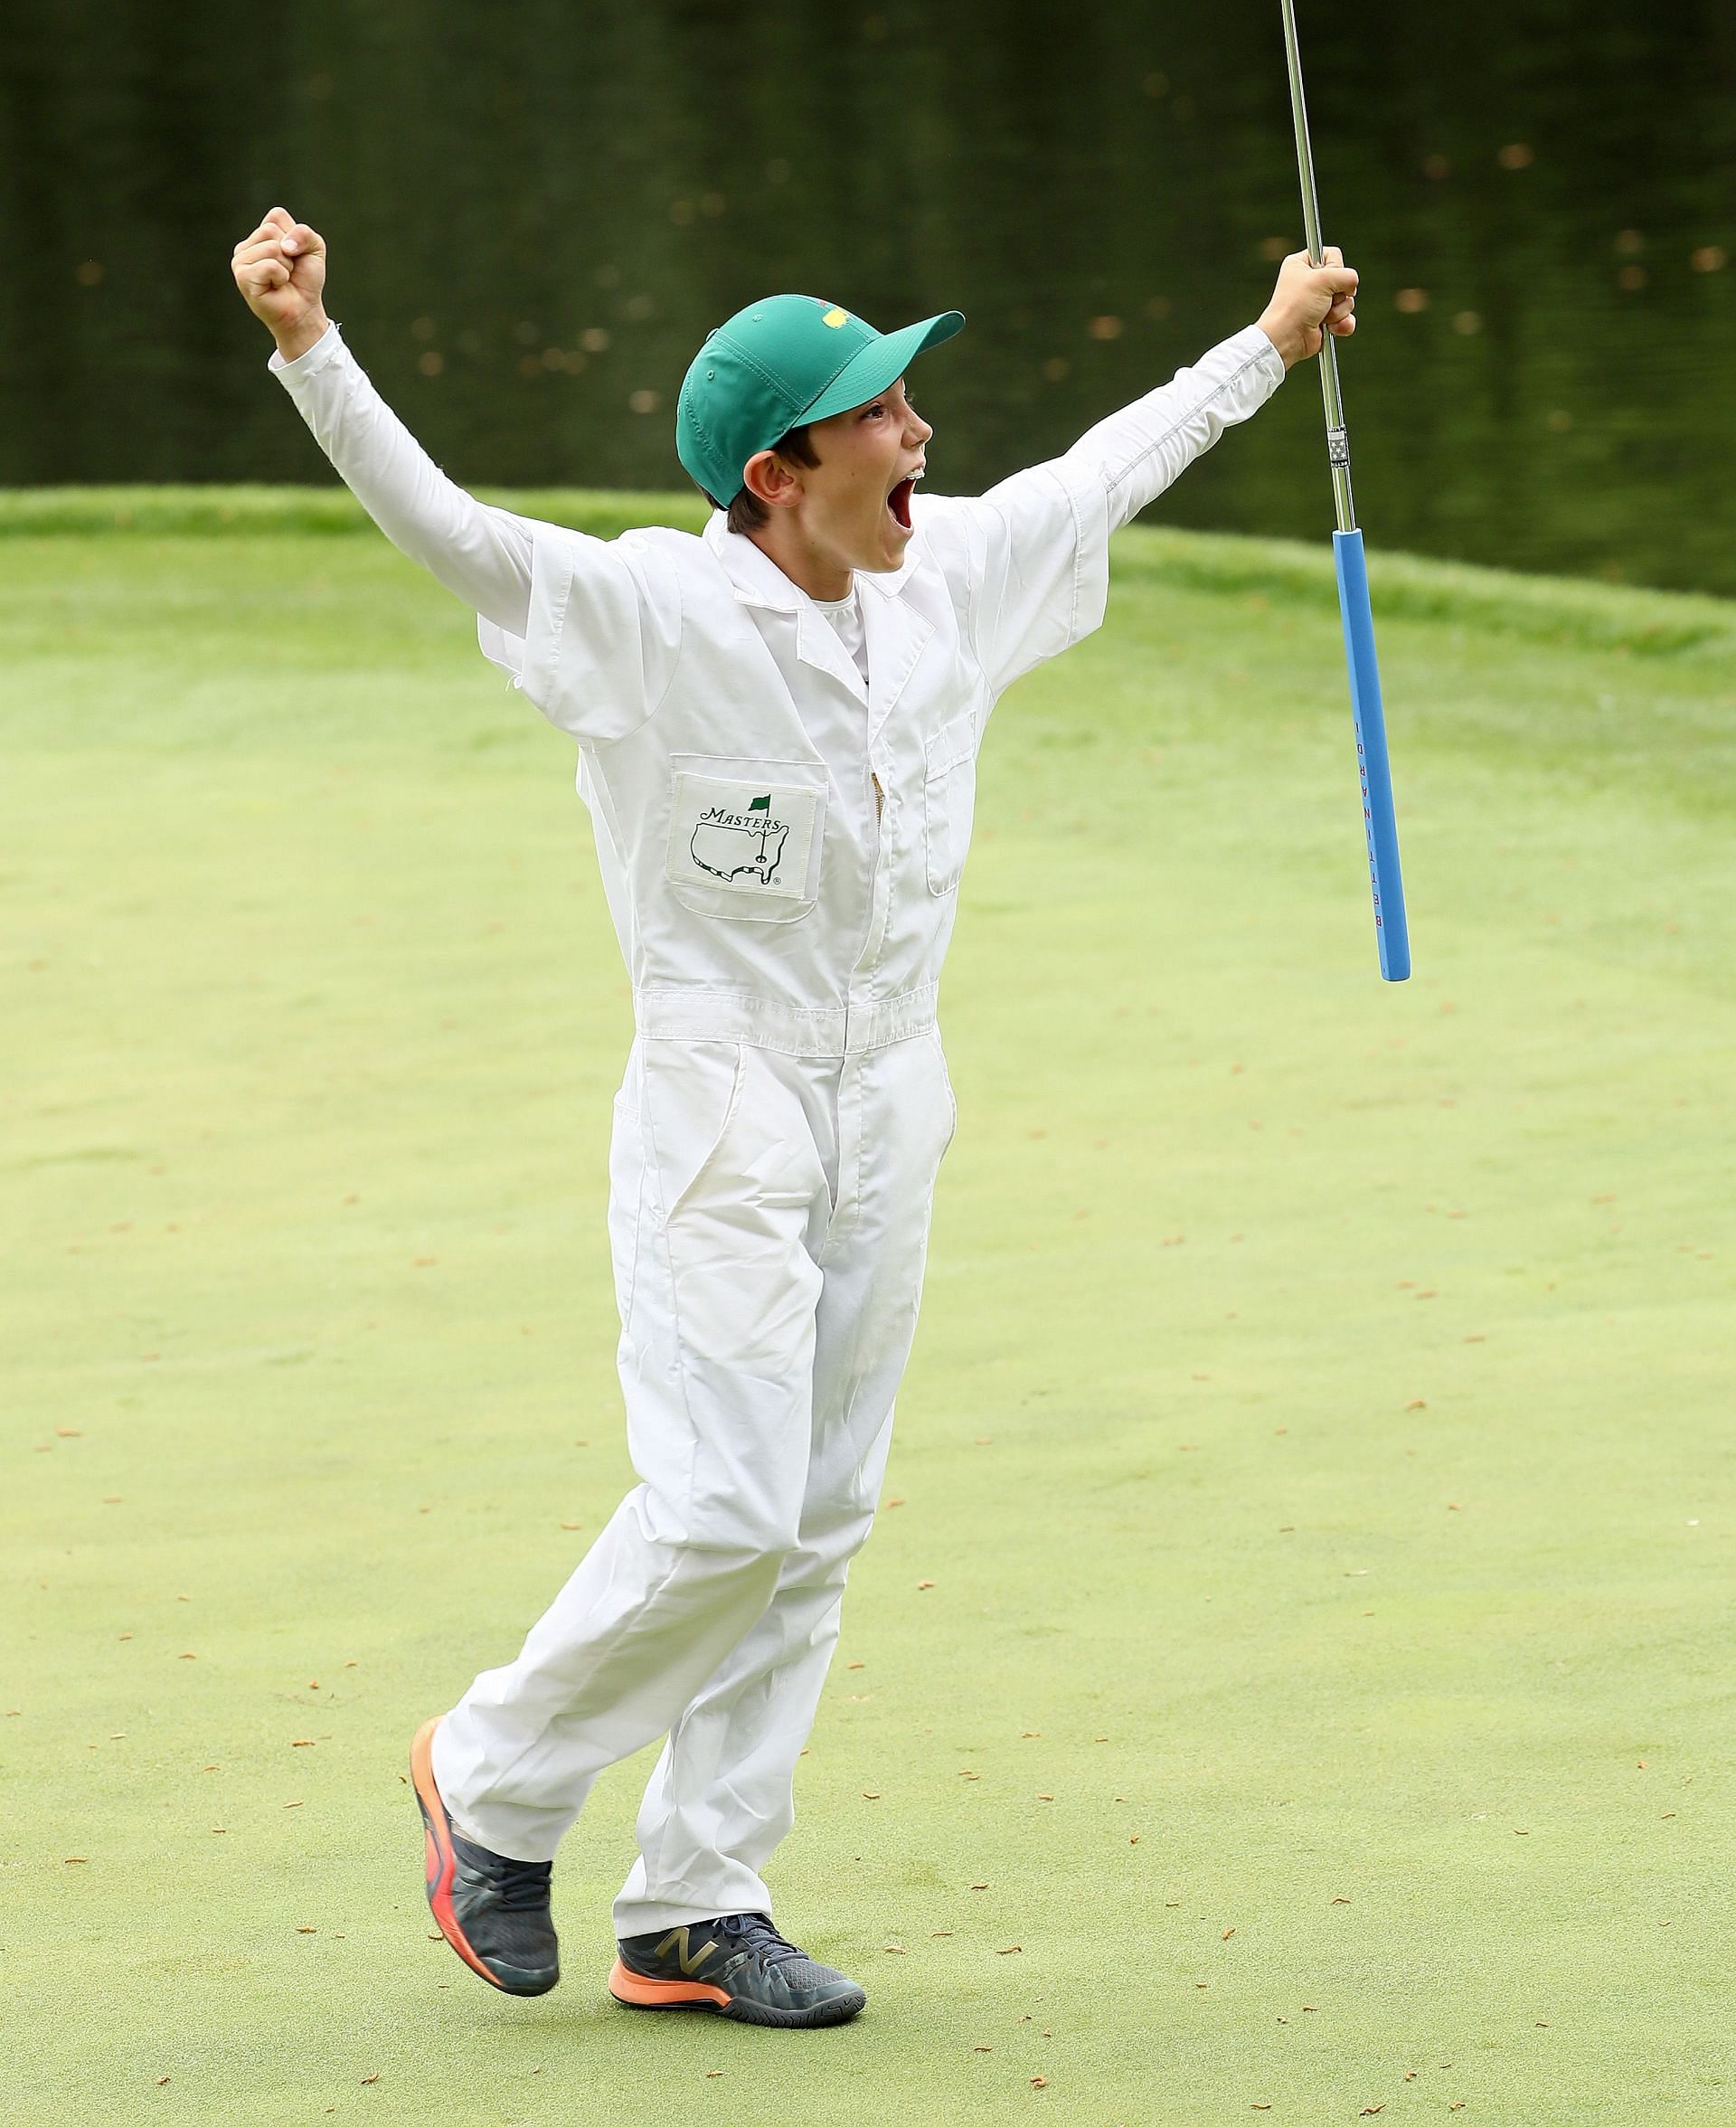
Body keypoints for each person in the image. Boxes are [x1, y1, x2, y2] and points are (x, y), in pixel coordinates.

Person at [231, 207, 1357, 2028]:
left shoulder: (952, 572)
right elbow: (454, 537)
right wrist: (310, 348)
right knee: (730, 1499)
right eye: (880, 416)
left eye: (912, 402)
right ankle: (495, 1771)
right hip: (718, 1104)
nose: (919, 436)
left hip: (892, 1093)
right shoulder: (650, 613)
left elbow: (1102, 474)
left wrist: (1268, 343)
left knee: (818, 1517)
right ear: (777, 474)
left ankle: (693, 1900)